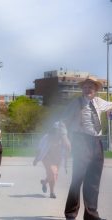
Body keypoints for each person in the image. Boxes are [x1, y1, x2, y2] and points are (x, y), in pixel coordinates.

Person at [62, 76, 111, 220]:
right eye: (85, 87)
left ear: (95, 89)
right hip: (81, 141)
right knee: (78, 178)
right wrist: (65, 138)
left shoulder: (99, 102)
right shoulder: (75, 103)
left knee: (93, 181)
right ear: (82, 89)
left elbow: (111, 105)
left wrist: (109, 111)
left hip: (96, 142)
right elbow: (63, 122)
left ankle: (91, 215)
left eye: (91, 87)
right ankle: (70, 213)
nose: (88, 89)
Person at [33, 121, 71, 199]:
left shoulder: (64, 139)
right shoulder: (47, 137)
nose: (59, 133)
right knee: (53, 173)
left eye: (60, 131)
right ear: (54, 130)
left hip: (57, 158)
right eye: (57, 130)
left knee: (54, 175)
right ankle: (52, 193)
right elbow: (39, 149)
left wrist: (66, 165)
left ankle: (44, 182)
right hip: (46, 157)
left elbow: (67, 152)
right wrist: (36, 159)